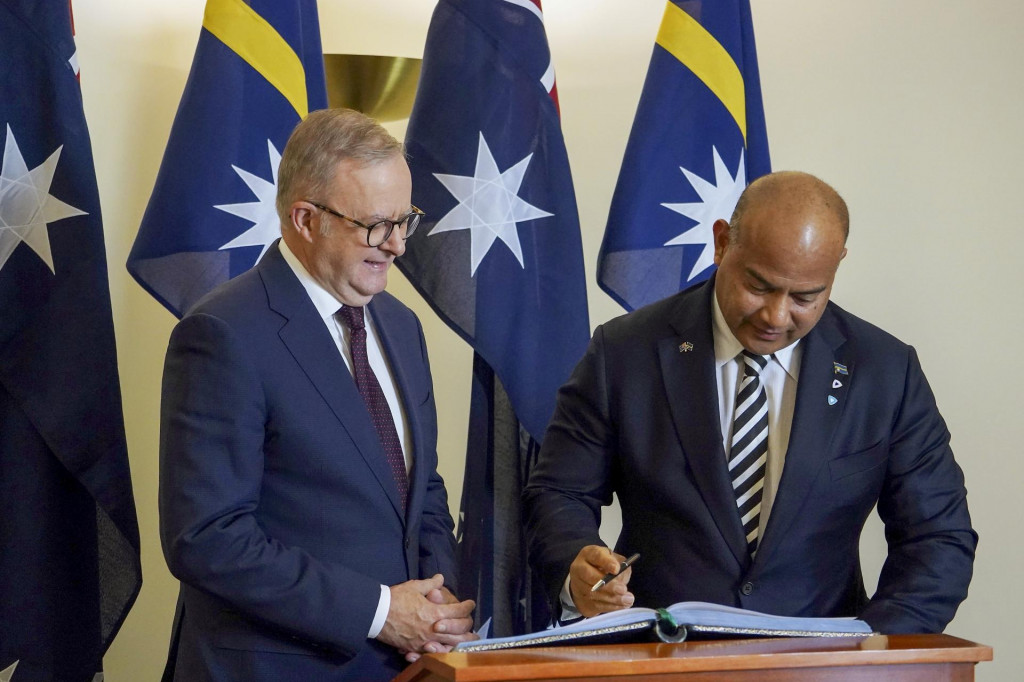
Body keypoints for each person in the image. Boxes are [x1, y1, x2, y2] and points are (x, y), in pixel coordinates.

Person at [524, 171, 977, 634]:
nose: (775, 316)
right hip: (658, 655)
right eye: (759, 286)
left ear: (836, 267)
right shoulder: (624, 352)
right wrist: (576, 565)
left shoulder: (884, 371)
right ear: (721, 244)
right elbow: (560, 493)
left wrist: (871, 649)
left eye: (806, 296)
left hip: (825, 667)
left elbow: (938, 537)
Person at [158, 108, 476, 681]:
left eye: (407, 220)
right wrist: (380, 613)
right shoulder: (223, 334)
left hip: (401, 669)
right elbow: (206, 538)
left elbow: (420, 487)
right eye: (378, 225)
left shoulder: (400, 325)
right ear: (305, 219)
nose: (399, 245)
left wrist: (435, 604)